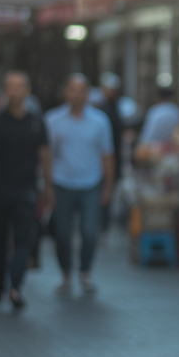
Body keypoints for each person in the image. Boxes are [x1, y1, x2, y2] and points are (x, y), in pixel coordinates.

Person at [0, 71, 53, 308]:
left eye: (19, 86)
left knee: (23, 240)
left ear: (27, 91)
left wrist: (48, 188)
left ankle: (15, 287)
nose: (14, 91)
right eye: (9, 86)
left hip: (26, 190)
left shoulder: (36, 123)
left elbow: (45, 157)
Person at [45, 74, 114, 295]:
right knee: (63, 234)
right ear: (66, 92)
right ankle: (66, 272)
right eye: (72, 90)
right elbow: (47, 156)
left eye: (81, 90)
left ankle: (85, 271)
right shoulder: (53, 120)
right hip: (62, 183)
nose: (77, 95)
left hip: (91, 183)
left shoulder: (100, 120)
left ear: (88, 93)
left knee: (89, 233)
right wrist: (47, 185)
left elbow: (107, 155)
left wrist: (108, 186)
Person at [95, 72, 124, 232]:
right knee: (103, 191)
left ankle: (103, 224)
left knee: (108, 191)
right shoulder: (103, 109)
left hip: (113, 156)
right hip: (105, 158)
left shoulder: (114, 106)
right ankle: (101, 224)